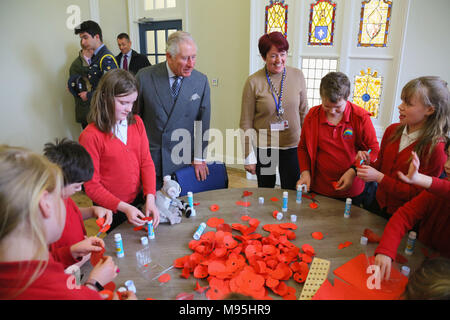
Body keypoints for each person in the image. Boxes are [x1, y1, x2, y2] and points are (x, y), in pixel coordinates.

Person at [0, 145, 124, 300]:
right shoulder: (52, 290)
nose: (65, 203)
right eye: (59, 197)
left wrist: (70, 252)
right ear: (45, 203)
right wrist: (93, 284)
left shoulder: (24, 267)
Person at [79, 69, 160, 231]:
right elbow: (92, 186)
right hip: (111, 209)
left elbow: (146, 163)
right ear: (105, 98)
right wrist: (124, 207)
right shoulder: (90, 136)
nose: (129, 108)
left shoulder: (137, 123)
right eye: (123, 103)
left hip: (138, 199)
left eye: (132, 102)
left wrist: (150, 198)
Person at [357, 76, 448, 217]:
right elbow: (381, 167)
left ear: (429, 110)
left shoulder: (436, 148)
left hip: (406, 216)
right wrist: (368, 163)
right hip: (378, 205)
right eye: (402, 101)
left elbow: (417, 194)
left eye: (408, 103)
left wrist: (380, 178)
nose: (400, 107)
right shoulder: (392, 131)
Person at [136, 31, 211, 190]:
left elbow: (202, 123)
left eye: (194, 56)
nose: (191, 64)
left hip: (184, 160)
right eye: (185, 58)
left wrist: (199, 158)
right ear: (169, 56)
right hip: (152, 160)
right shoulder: (144, 77)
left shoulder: (201, 81)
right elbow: (134, 121)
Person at [296, 72, 380, 205]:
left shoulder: (360, 117)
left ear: (347, 98)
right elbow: (303, 148)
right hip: (319, 188)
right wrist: (305, 173)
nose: (332, 111)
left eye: (338, 107)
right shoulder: (312, 115)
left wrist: (354, 171)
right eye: (327, 106)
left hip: (351, 190)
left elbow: (374, 150)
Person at [240, 32, 308, 190]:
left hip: (292, 145)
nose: (279, 60)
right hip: (265, 145)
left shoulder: (297, 75)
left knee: (291, 190)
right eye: (273, 56)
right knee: (265, 190)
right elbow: (246, 121)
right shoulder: (253, 82)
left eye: (282, 54)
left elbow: (304, 112)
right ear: (264, 57)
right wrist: (248, 155)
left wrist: (308, 146)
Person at [374, 139, 450, 281]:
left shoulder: (440, 187)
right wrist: (386, 250)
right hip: (425, 260)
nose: (447, 165)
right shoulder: (435, 192)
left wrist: (419, 179)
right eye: (449, 156)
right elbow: (404, 215)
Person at [43, 138, 113, 268]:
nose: (80, 190)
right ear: (59, 181)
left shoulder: (62, 195)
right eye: (76, 186)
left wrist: (92, 211)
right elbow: (49, 264)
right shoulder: (43, 216)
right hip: (70, 269)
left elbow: (72, 214)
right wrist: (78, 255)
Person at [74, 20, 118, 105]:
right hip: (98, 108)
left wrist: (88, 95)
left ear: (97, 37)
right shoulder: (96, 56)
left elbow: (111, 90)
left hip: (106, 110)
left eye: (85, 37)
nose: (82, 42)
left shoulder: (106, 58)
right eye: (81, 38)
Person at [68, 44, 94, 129]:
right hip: (85, 109)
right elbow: (76, 89)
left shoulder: (96, 60)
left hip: (97, 107)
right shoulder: (76, 65)